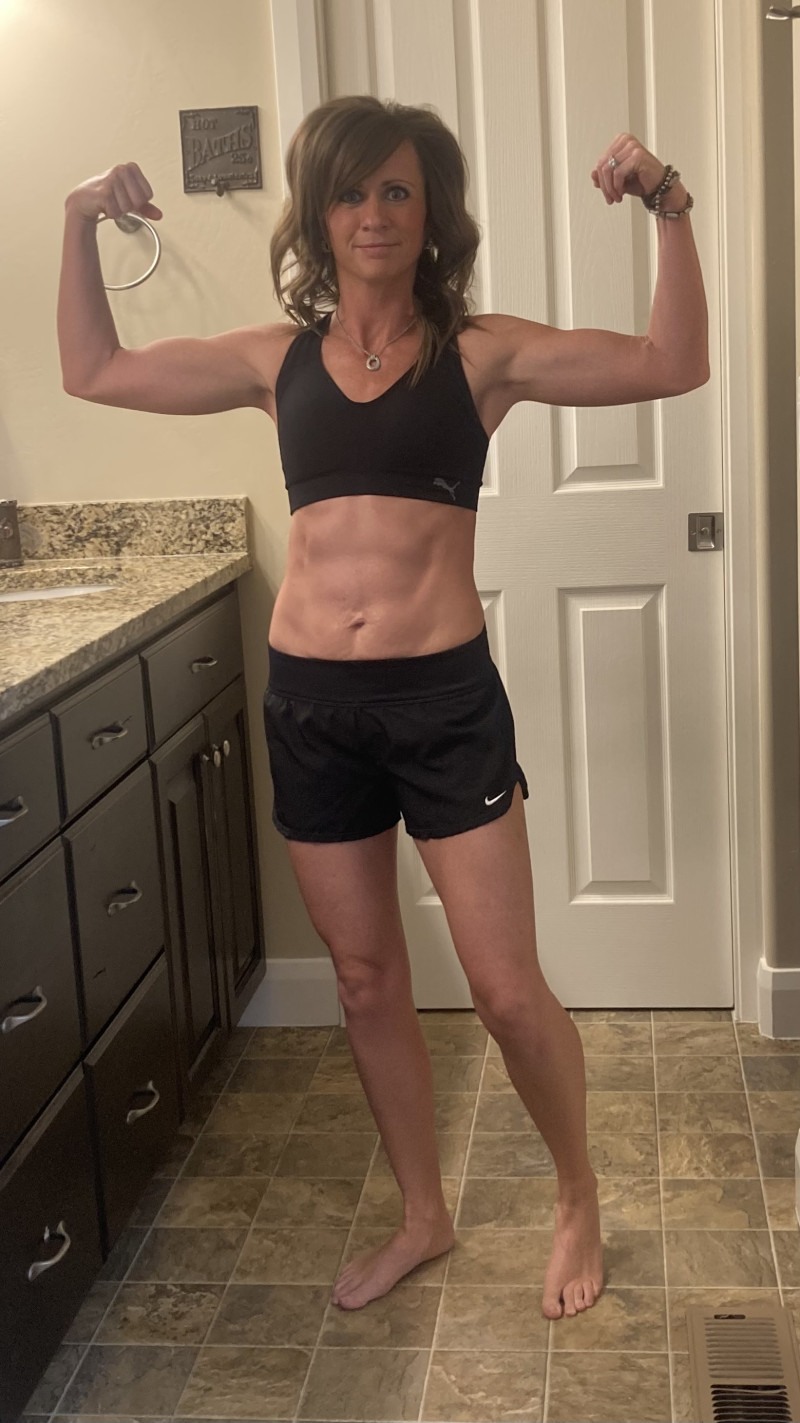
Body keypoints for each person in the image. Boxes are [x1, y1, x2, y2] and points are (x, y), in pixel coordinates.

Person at [58, 94, 708, 1322]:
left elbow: (670, 362)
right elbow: (92, 370)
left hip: (441, 703)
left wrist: (667, 205)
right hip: (312, 706)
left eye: (397, 191)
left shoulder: (480, 354)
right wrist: (78, 217)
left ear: (430, 213)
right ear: (318, 213)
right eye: (351, 192)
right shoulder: (274, 360)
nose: (373, 214)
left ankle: (575, 1191)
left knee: (503, 988)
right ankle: (422, 1213)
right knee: (364, 979)